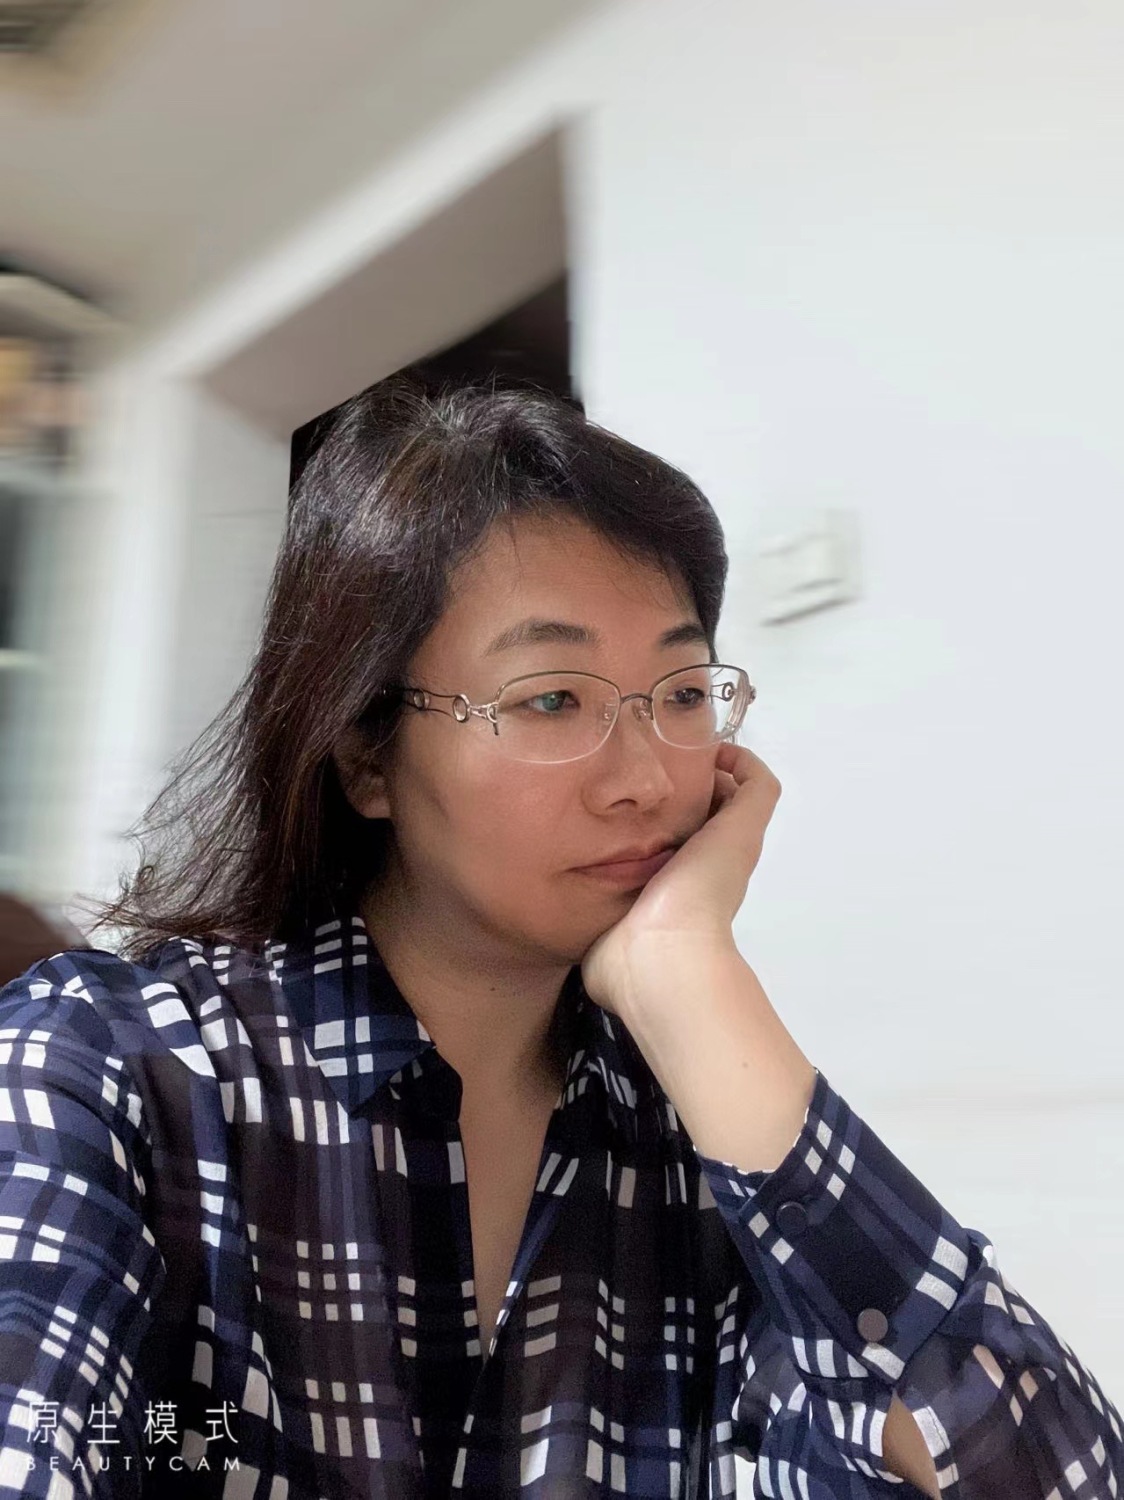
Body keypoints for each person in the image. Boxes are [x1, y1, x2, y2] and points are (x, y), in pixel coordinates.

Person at [0, 376, 1118, 1500]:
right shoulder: (110, 1071)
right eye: (550, 700)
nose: (646, 782)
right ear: (368, 754)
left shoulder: (697, 1163)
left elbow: (1052, 1475)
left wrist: (691, 981)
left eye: (682, 692)